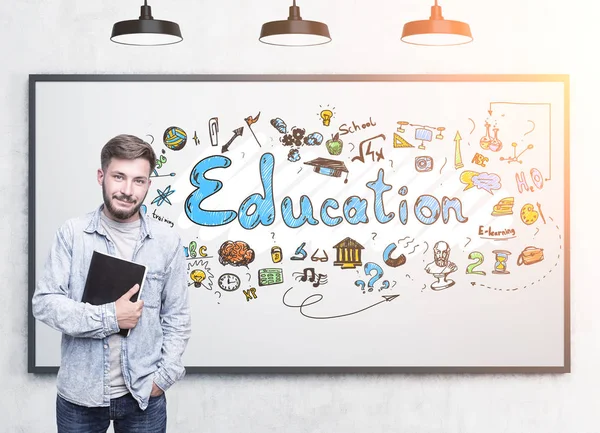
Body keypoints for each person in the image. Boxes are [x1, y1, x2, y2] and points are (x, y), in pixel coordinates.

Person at [32, 134, 191, 433]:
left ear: (148, 185)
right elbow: (45, 303)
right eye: (119, 177)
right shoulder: (73, 234)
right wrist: (111, 317)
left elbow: (177, 317)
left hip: (144, 397)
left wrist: (164, 378)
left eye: (139, 181)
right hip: (80, 396)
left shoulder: (166, 242)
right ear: (101, 176)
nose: (128, 191)